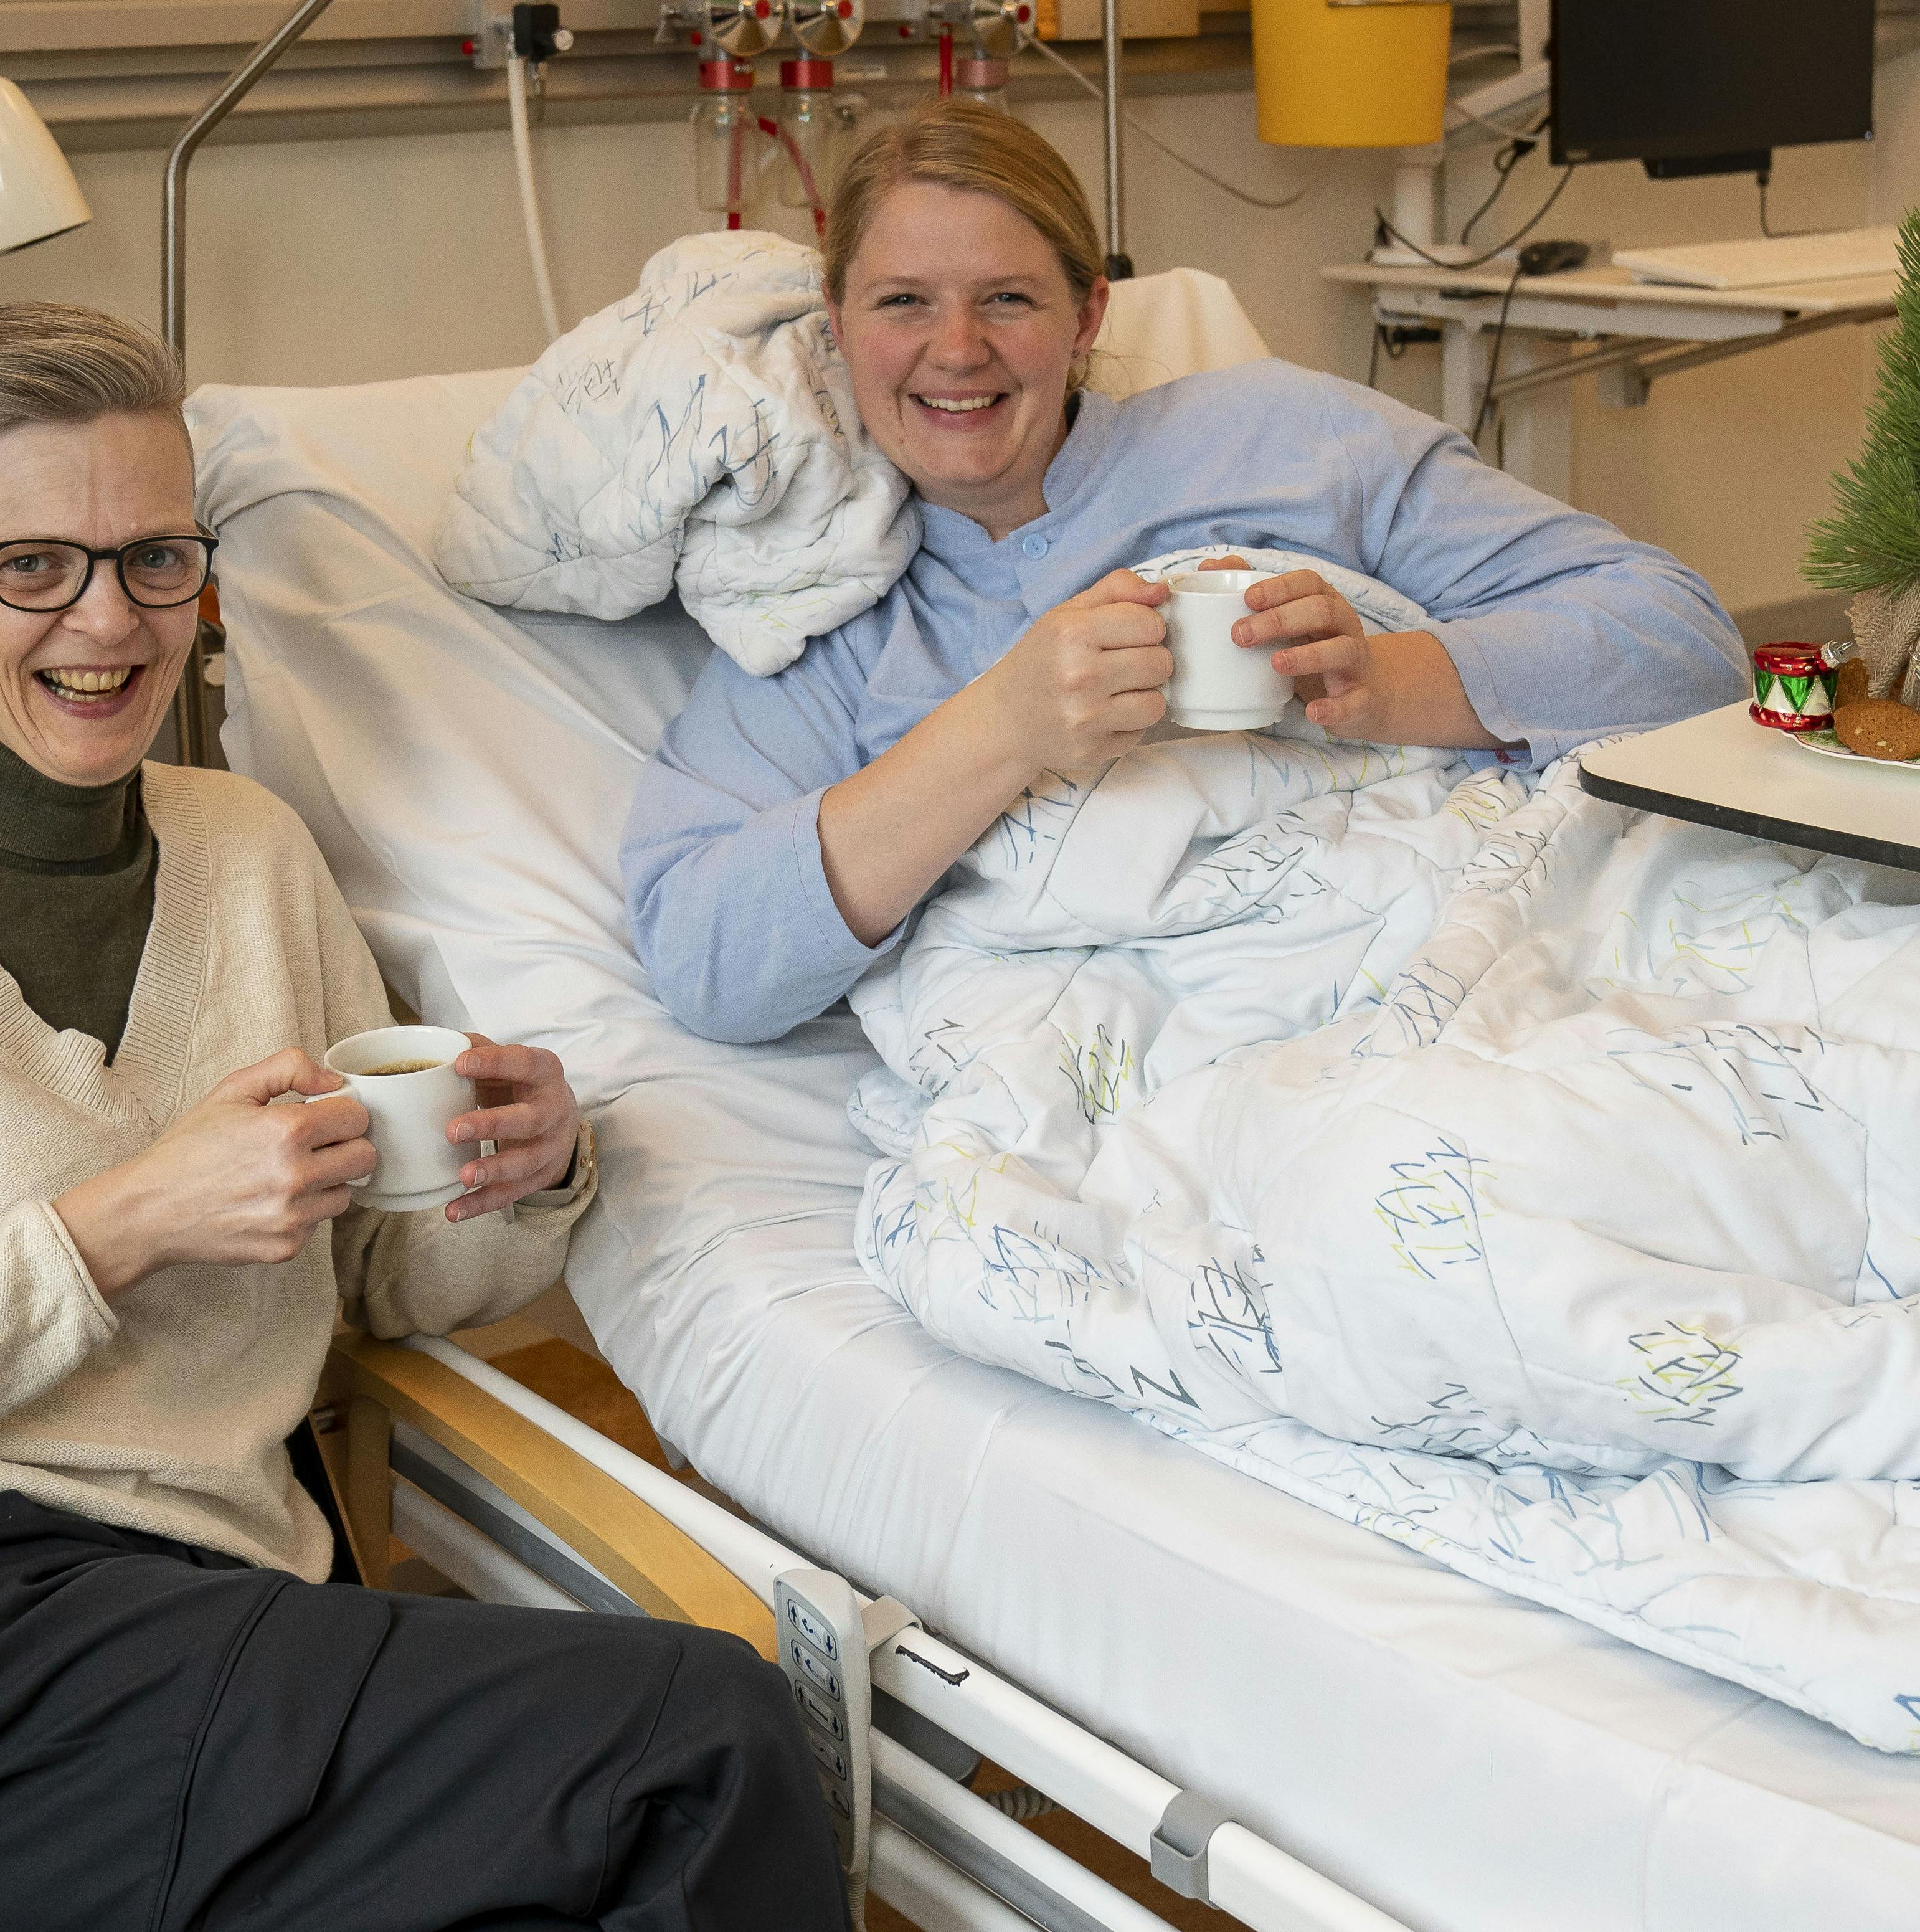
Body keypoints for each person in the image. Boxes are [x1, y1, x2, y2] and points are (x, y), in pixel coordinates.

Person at [0, 303, 847, 1932]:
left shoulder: (245, 852)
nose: (106, 617)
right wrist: (135, 1216)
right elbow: (173, 1221)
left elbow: (367, 1293)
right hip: (47, 1623)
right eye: (31, 563)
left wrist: (512, 1175)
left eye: (155, 556)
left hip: (221, 1620)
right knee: (703, 1741)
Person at [623, 103, 1747, 1046]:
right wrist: (1000, 730)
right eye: (902, 300)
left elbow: (1686, 646)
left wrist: (1382, 682)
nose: (957, 348)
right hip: (1198, 1073)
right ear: (839, 326)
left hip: (1505, 977)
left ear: (1086, 314)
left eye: (1008, 298)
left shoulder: (1287, 436)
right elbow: (705, 958)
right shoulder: (826, 609)